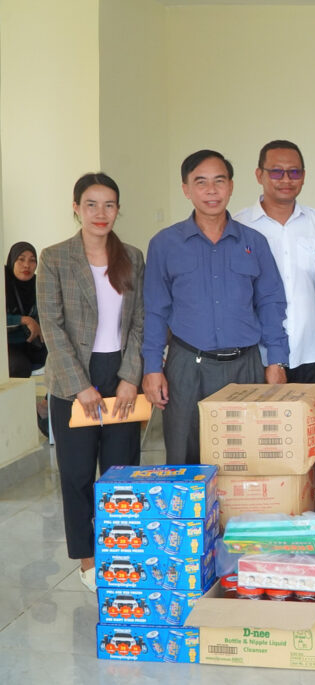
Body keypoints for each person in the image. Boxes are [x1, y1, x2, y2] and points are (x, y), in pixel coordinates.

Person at [142, 149, 288, 465]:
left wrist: (276, 359)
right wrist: (152, 368)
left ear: (231, 186)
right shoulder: (165, 244)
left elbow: (270, 302)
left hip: (245, 367)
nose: (211, 191)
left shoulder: (254, 242)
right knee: (185, 459)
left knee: (246, 458)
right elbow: (155, 310)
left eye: (219, 181)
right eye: (201, 182)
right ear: (186, 189)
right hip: (187, 366)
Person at [36, 172, 145, 592]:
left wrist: (130, 377)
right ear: (76, 207)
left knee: (121, 473)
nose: (101, 213)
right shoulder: (55, 257)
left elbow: (140, 323)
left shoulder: (131, 256)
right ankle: (88, 559)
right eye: (92, 204)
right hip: (72, 378)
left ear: (118, 209)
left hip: (120, 375)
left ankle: (123, 549)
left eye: (109, 204)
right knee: (78, 473)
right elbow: (52, 325)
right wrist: (80, 384)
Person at [234, 140, 315, 488]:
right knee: (264, 441)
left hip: (312, 351)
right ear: (259, 175)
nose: (285, 179)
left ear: (304, 176)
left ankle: (312, 508)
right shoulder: (239, 226)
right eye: (276, 172)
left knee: (312, 441)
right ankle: (269, 507)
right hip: (259, 355)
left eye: (294, 172)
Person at [5, 242, 47, 377]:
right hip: (6, 344)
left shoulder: (39, 284)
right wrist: (24, 320)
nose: (26, 265)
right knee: (19, 366)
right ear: (12, 260)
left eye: (32, 260)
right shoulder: (2, 283)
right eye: (21, 259)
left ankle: (48, 397)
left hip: (31, 342)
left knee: (62, 359)